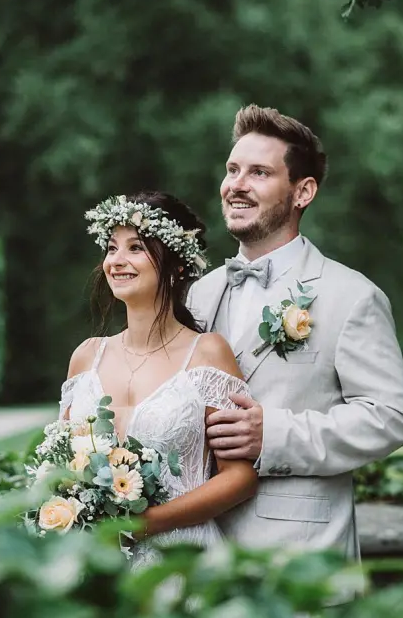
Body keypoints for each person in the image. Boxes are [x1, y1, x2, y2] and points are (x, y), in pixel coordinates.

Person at [188, 105, 403, 575]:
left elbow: (391, 417)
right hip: (199, 553)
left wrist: (273, 434)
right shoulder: (199, 292)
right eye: (233, 170)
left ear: (302, 191)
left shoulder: (351, 296)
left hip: (299, 557)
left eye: (259, 173)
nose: (236, 185)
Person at [58, 190, 258, 568]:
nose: (116, 261)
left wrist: (145, 523)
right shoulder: (86, 356)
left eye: (135, 248)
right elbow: (61, 466)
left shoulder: (208, 353)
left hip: (182, 559)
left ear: (177, 263)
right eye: (112, 247)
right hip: (94, 563)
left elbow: (240, 478)